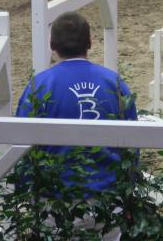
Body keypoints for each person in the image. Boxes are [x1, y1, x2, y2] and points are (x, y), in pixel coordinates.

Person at [16, 11, 137, 194]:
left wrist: (25, 191)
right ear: (89, 42)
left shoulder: (38, 86)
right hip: (109, 195)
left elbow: (21, 143)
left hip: (55, 197)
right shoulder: (114, 82)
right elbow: (133, 141)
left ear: (52, 45)